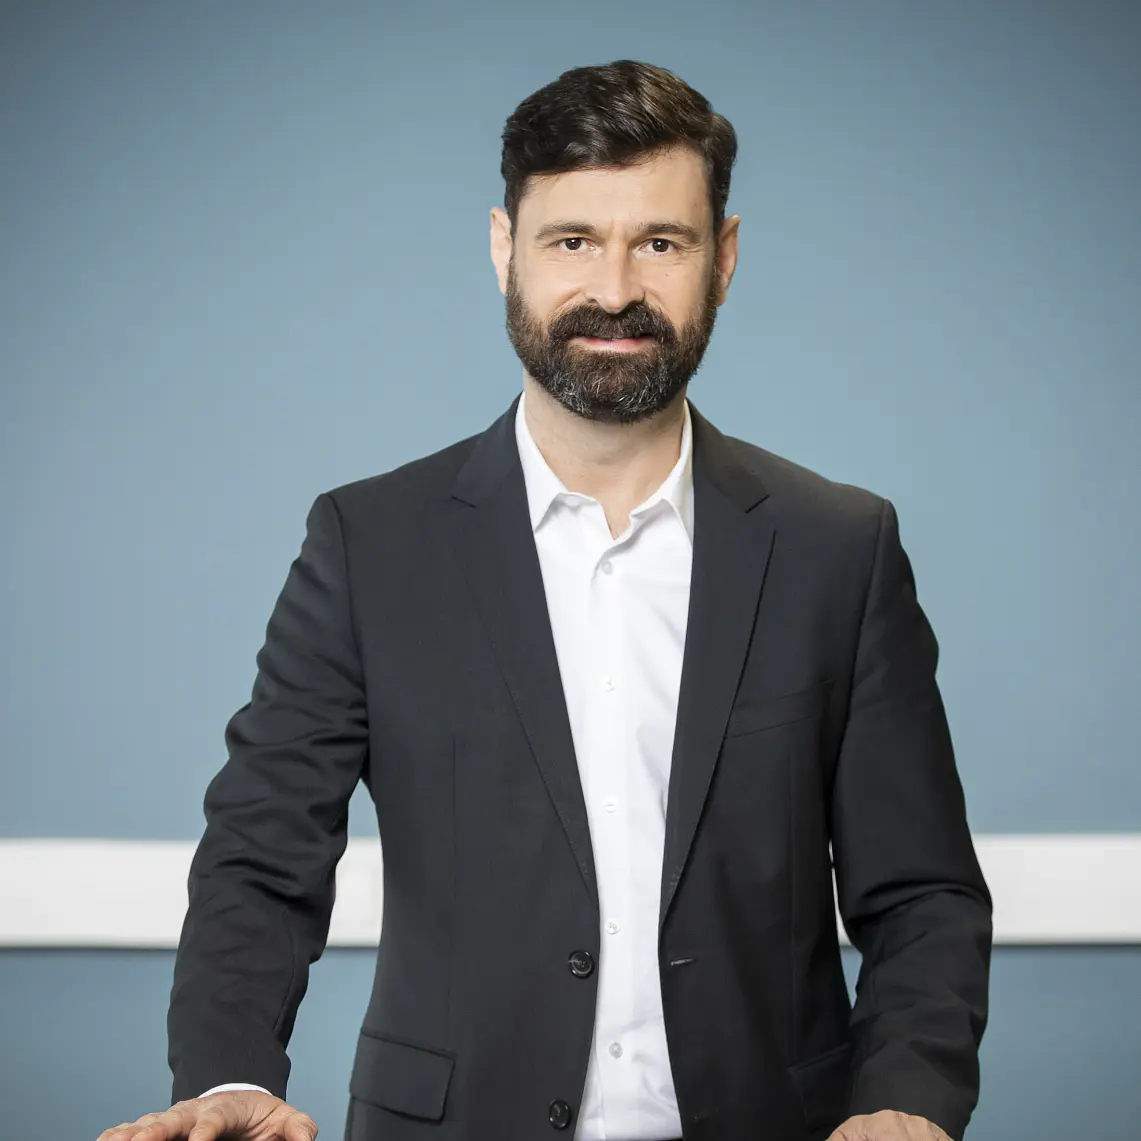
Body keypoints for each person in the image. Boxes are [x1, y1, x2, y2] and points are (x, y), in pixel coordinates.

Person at [97, 59, 991, 1141]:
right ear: (502, 249)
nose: (614, 288)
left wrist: (905, 1100)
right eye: (572, 240)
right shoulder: (369, 543)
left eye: (660, 242)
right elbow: (261, 858)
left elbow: (923, 893)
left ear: (725, 259)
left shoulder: (837, 548)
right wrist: (229, 1077)